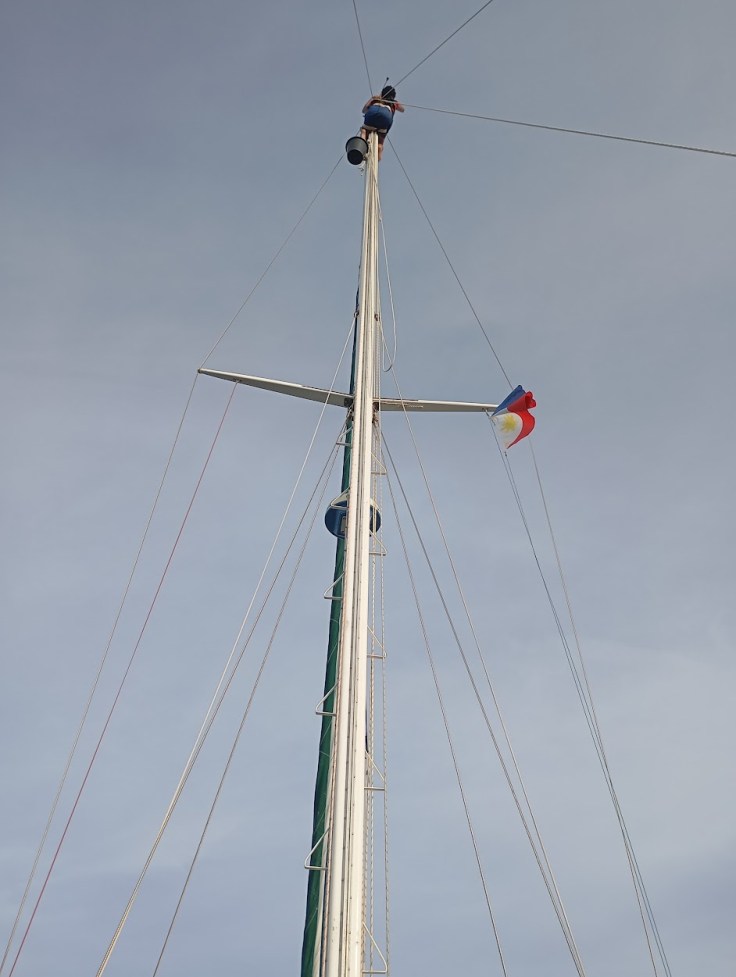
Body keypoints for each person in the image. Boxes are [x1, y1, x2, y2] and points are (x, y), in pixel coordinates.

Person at [360, 84, 404, 160]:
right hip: (385, 118)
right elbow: (402, 109)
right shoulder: (394, 102)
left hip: (372, 115)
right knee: (380, 143)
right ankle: (379, 149)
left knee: (364, 131)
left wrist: (374, 98)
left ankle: (361, 149)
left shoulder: (375, 99)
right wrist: (394, 101)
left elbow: (364, 110)